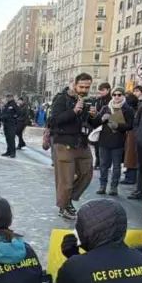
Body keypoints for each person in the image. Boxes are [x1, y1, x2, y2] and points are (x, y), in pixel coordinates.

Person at [47, 74, 95, 220]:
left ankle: (68, 198)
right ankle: (64, 205)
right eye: (81, 87)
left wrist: (94, 116)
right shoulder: (62, 98)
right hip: (64, 142)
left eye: (87, 87)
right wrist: (73, 111)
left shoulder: (89, 100)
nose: (84, 90)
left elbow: (92, 124)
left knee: (87, 173)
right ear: (74, 84)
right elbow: (53, 121)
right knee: (65, 179)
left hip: (82, 141)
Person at [91, 88, 135, 196]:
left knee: (116, 166)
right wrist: (101, 119)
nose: (116, 97)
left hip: (118, 141)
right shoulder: (106, 108)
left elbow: (130, 126)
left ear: (123, 96)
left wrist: (118, 125)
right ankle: (102, 186)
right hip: (104, 141)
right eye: (114, 95)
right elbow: (95, 122)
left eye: (119, 94)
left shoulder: (127, 109)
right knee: (103, 165)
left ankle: (113, 187)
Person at [121, 87, 142, 185]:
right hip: (132, 131)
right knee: (130, 155)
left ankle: (130, 177)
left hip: (134, 132)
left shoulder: (138, 106)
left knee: (131, 156)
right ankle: (130, 175)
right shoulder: (136, 106)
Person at [0, 93, 19, 158]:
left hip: (12, 124)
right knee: (7, 138)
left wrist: (10, 117)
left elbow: (18, 113)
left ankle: (13, 152)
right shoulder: (6, 105)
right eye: (7, 97)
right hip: (6, 124)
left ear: (12, 97)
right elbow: (3, 113)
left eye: (9, 97)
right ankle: (8, 151)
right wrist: (2, 117)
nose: (8, 98)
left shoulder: (14, 105)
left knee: (11, 138)